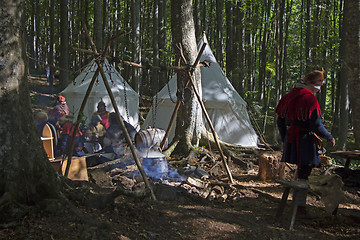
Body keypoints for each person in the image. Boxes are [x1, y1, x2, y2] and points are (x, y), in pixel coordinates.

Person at [275, 69, 336, 216]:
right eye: (319, 84)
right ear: (311, 83)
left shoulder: (288, 97)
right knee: (304, 172)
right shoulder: (309, 99)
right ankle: (300, 206)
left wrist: (285, 139)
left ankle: (298, 203)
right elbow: (316, 125)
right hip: (304, 141)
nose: (320, 88)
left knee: (302, 171)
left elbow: (280, 122)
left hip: (292, 137)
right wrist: (329, 136)